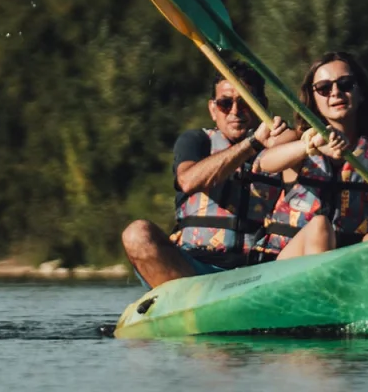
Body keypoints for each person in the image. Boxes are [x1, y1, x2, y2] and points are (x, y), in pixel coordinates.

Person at [121, 65, 294, 287]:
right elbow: (188, 181)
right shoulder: (196, 141)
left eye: (245, 102)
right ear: (213, 109)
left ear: (263, 105)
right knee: (137, 233)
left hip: (256, 270)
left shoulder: (283, 148)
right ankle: (183, 303)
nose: (235, 111)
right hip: (193, 266)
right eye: (225, 103)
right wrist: (252, 144)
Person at [252, 52, 368, 260]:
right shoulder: (295, 139)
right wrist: (311, 145)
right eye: (324, 88)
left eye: (345, 84)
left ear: (361, 92)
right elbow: (265, 162)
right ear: (313, 98)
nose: (335, 93)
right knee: (319, 226)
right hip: (286, 263)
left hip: (348, 264)